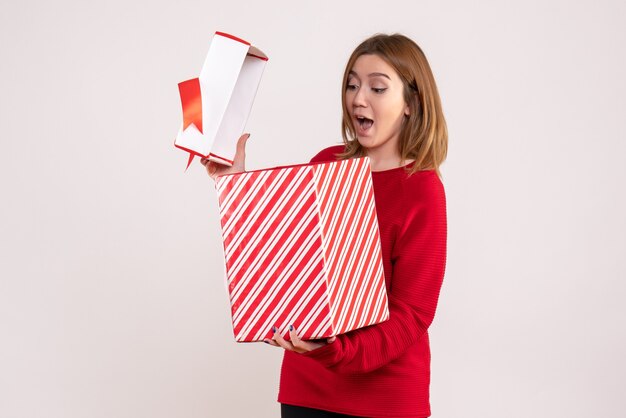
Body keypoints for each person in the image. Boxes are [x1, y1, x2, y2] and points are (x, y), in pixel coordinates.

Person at [202, 33, 447, 418]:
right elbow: (278, 249)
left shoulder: (422, 190)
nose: (358, 98)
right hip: (307, 393)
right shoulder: (326, 164)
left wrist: (334, 349)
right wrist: (233, 180)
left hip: (385, 399)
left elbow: (412, 314)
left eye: (377, 87)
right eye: (352, 84)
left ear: (411, 104)